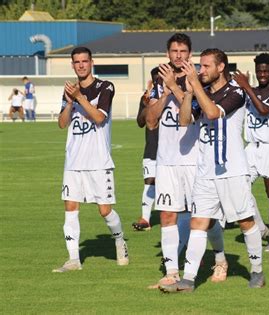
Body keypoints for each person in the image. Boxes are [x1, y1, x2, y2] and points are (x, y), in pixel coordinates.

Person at [160, 48, 265, 293]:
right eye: (200, 66)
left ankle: (258, 271)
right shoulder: (201, 90)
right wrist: (186, 93)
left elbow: (211, 112)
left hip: (232, 170)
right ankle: (188, 279)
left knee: (245, 221)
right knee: (198, 222)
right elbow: (185, 120)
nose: (201, 70)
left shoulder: (236, 92)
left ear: (221, 67)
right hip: (205, 171)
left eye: (206, 66)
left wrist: (194, 86)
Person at [145, 34, 227, 289]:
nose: (178, 55)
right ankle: (172, 272)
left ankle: (220, 258)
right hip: (167, 160)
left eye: (183, 51)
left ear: (190, 54)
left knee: (203, 217)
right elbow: (150, 120)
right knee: (168, 215)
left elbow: (190, 115)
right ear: (167, 53)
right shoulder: (160, 79)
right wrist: (166, 90)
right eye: (174, 51)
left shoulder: (198, 77)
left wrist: (177, 88)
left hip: (194, 160)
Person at [53, 46, 128, 272]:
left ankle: (119, 240)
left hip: (98, 161)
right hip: (73, 161)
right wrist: (69, 102)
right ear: (73, 65)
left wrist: (79, 97)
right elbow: (62, 123)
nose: (81, 65)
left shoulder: (105, 87)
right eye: (77, 62)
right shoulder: (70, 91)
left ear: (91, 62)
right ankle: (74, 259)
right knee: (70, 206)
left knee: (104, 210)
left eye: (84, 61)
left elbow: (97, 117)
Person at [233, 53, 269, 251]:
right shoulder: (249, 91)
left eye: (266, 71)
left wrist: (246, 87)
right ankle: (262, 228)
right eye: (259, 71)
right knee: (240, 188)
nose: (262, 74)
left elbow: (265, 110)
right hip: (251, 147)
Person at [132, 67, 160, 231]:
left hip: (173, 151)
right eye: (155, 79)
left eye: (160, 78)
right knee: (150, 181)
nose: (158, 82)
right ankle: (145, 219)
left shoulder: (175, 95)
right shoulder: (147, 97)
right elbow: (140, 122)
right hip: (152, 147)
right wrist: (146, 105)